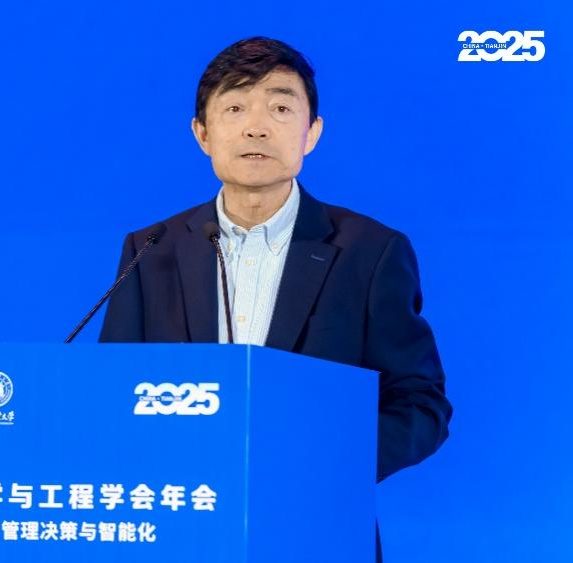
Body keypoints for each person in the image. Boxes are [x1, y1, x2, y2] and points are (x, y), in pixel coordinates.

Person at [99, 36, 452, 561]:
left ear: (313, 132)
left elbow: (420, 404)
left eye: (281, 108)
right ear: (202, 133)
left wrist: (327, 464)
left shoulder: (371, 252)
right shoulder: (151, 248)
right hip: (182, 528)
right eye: (235, 107)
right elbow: (110, 395)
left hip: (317, 531)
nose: (257, 127)